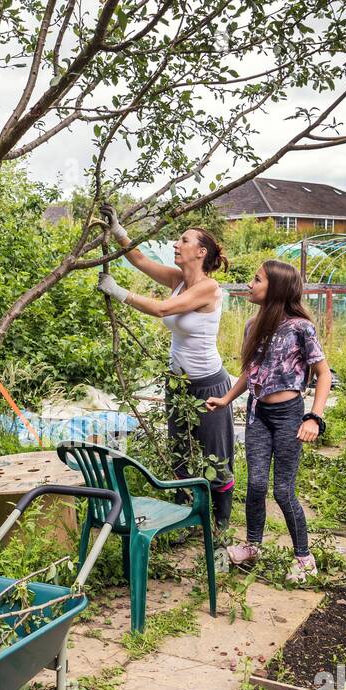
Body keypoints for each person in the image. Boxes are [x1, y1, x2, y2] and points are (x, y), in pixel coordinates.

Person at [96, 205, 235, 530]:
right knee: (181, 455)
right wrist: (119, 231)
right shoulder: (177, 279)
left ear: (200, 252)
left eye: (183, 240)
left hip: (209, 385)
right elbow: (140, 260)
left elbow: (161, 309)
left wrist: (118, 292)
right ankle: (184, 518)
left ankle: (221, 526)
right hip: (177, 384)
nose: (176, 243)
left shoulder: (208, 288)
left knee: (216, 456)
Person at [205, 260, 331, 582]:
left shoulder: (301, 328)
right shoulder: (253, 325)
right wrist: (226, 399)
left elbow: (323, 374)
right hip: (257, 413)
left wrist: (313, 417)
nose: (250, 284)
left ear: (275, 287)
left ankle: (304, 557)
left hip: (289, 415)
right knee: (256, 484)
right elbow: (251, 372)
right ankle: (252, 546)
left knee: (283, 490)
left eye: (256, 279)